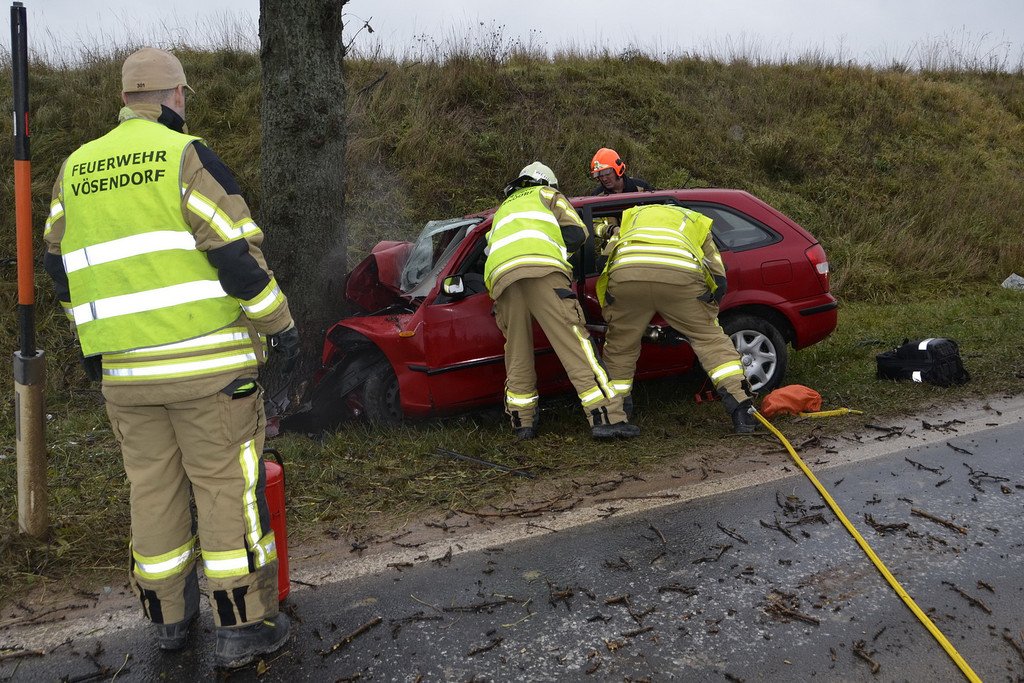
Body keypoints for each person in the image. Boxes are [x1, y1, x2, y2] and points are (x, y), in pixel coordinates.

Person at [42, 48, 297, 669]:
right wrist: (281, 327)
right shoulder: (184, 156)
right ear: (176, 96)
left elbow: (58, 268)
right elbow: (234, 255)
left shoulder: (76, 168)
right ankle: (242, 627)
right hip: (209, 372)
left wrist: (92, 343)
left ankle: (168, 622)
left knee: (152, 491)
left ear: (124, 99)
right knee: (225, 489)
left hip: (126, 377)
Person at [484, 162, 639, 441]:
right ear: (546, 182)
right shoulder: (546, 195)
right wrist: (555, 252)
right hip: (542, 272)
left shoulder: (502, 209)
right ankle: (606, 417)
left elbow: (489, 249)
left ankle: (522, 422)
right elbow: (577, 233)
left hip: (502, 281)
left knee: (517, 352)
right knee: (575, 344)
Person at [596, 203, 756, 433]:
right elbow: (718, 275)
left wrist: (613, 301)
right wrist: (707, 309)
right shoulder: (695, 221)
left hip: (628, 278)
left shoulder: (632, 217)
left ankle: (614, 418)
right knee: (710, 341)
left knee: (620, 347)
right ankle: (742, 409)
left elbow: (604, 261)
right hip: (680, 279)